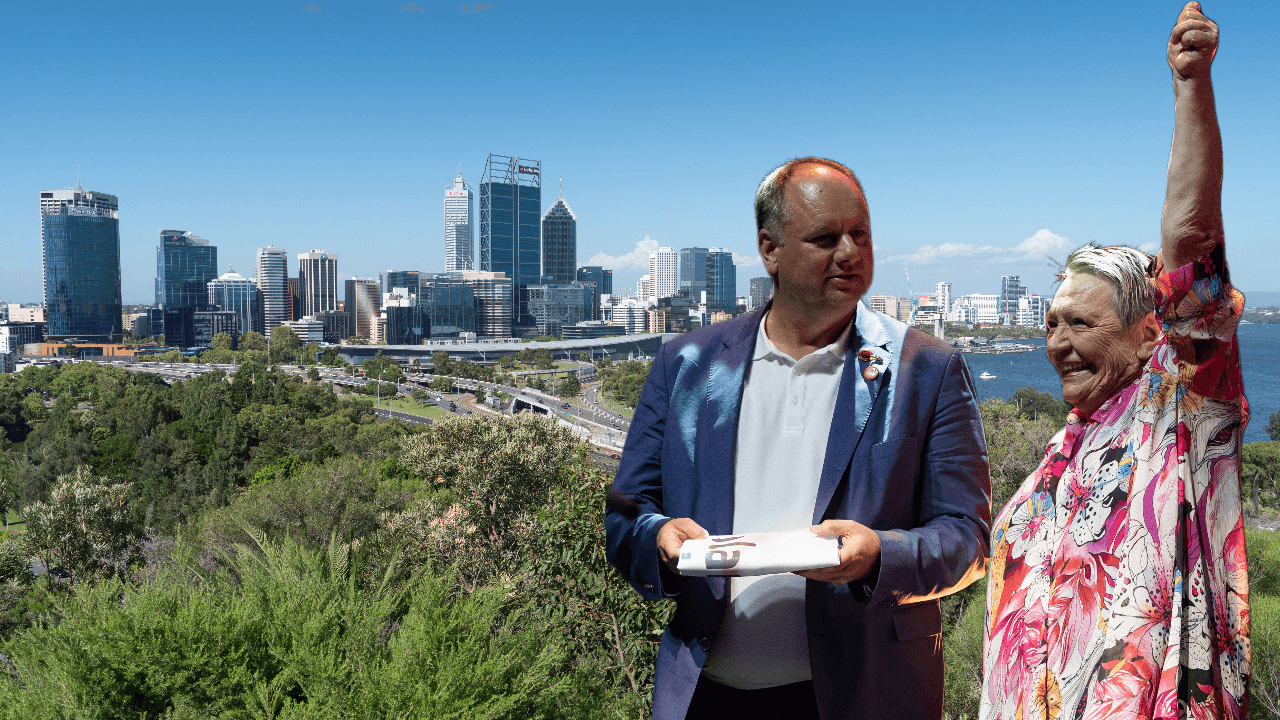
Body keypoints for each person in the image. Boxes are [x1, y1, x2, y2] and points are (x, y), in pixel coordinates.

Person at [605, 156, 991, 720]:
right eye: (825, 237)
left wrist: (880, 555)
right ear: (771, 250)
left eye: (860, 234)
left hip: (867, 696)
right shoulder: (685, 364)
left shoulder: (926, 370)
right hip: (706, 695)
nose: (850, 253)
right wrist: (660, 537)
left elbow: (968, 538)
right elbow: (625, 517)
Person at [980, 4, 1249, 718]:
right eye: (1050, 323)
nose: (1056, 340)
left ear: (1145, 333)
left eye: (1080, 323)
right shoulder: (1060, 451)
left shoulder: (1175, 410)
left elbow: (1193, 244)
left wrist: (1191, 85)